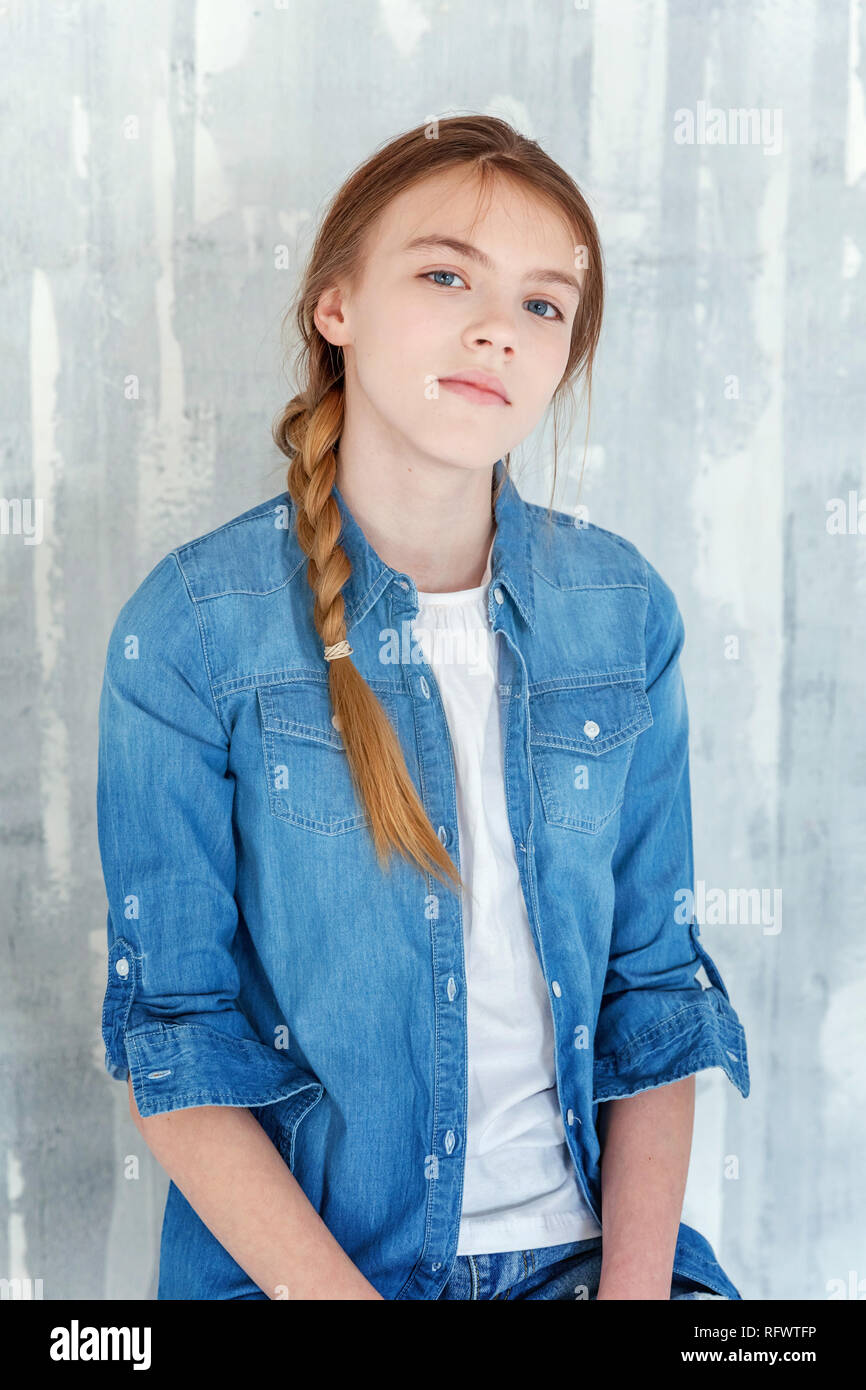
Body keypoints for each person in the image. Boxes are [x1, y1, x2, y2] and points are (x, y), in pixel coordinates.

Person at [97, 115, 750, 1301]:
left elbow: (653, 1000)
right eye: (445, 274)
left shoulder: (622, 611)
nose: (497, 326)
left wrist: (636, 1299)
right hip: (314, 1279)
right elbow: (177, 1041)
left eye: (543, 306)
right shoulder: (192, 626)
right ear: (333, 307)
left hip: (592, 1267)